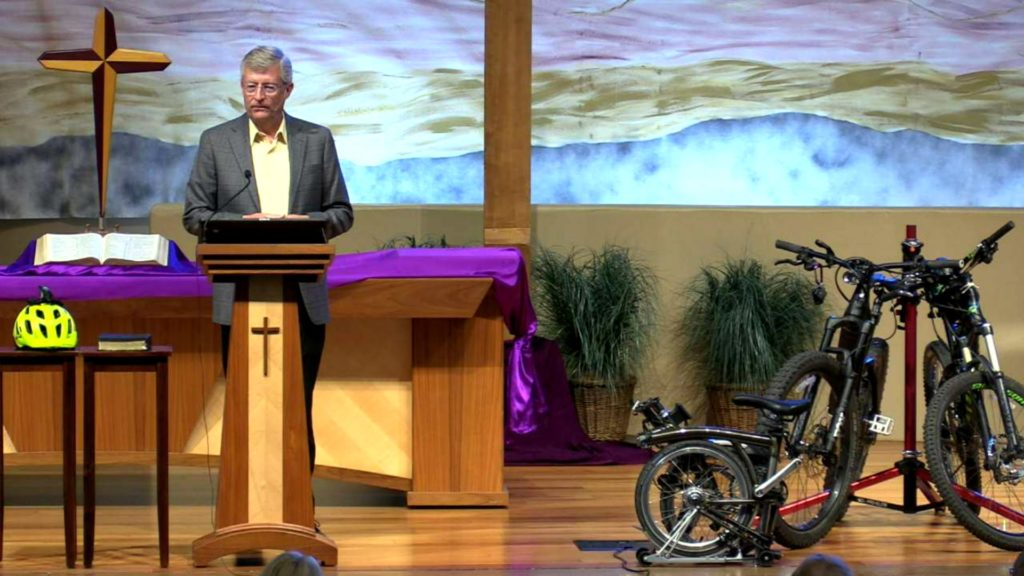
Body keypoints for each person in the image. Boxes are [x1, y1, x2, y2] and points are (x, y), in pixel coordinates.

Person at [183, 45, 354, 473]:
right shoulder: (216, 141)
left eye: (269, 87)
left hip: (302, 293)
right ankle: (244, 495)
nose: (258, 96)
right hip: (239, 294)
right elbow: (195, 216)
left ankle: (299, 498)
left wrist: (306, 223)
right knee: (245, 404)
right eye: (250, 87)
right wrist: (242, 223)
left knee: (297, 403)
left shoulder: (316, 140)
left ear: (288, 90)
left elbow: (341, 212)